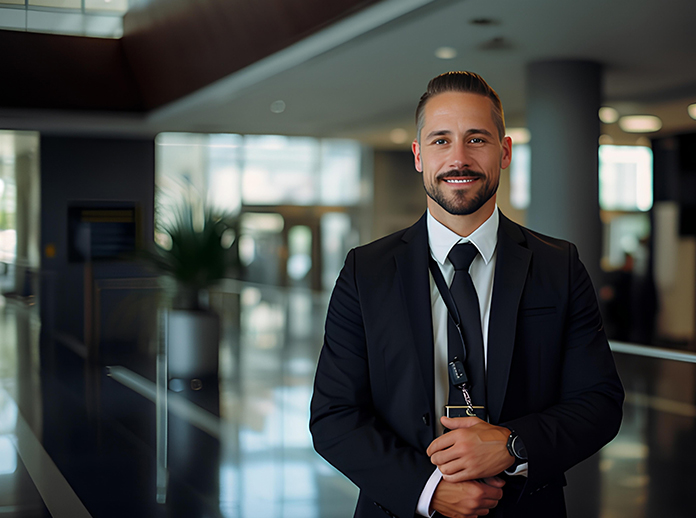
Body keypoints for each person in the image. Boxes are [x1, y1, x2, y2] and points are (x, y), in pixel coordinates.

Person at [310, 71, 624, 518]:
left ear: (505, 151)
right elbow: (334, 416)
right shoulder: (366, 271)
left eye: (476, 139)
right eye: (441, 140)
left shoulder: (559, 265)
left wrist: (513, 446)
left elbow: (599, 402)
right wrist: (429, 489)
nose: (459, 158)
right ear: (419, 155)